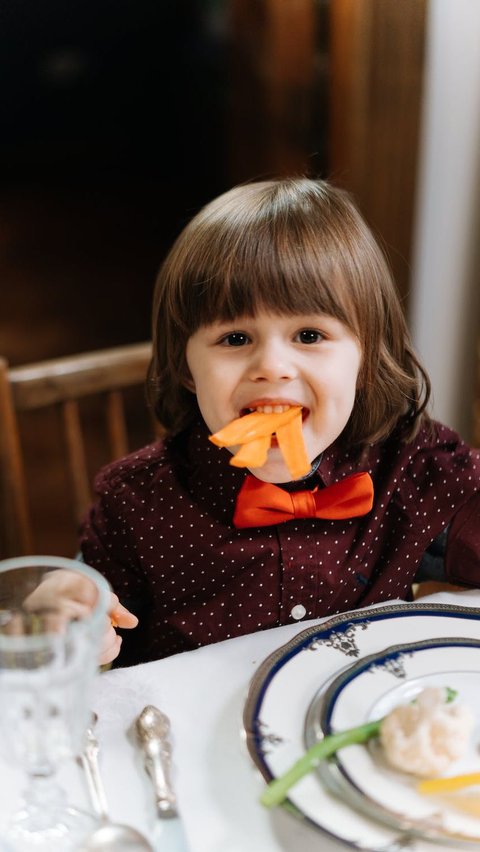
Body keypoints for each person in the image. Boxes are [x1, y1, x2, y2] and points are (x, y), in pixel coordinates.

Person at [79, 177, 480, 666]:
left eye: (309, 334)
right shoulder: (136, 503)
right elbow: (85, 620)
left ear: (365, 359)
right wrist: (78, 624)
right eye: (234, 338)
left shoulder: (414, 469)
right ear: (186, 367)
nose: (272, 366)